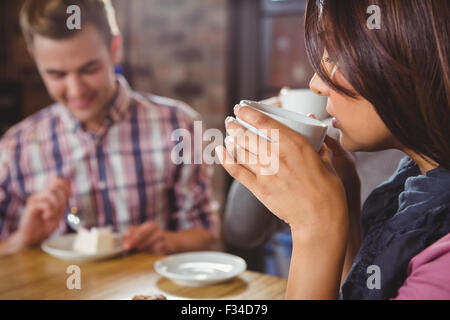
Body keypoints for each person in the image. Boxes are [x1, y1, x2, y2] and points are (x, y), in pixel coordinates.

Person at [216, 0, 450, 299]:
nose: (316, 83)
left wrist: (316, 226)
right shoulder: (411, 184)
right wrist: (344, 197)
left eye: (338, 53)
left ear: (420, 49)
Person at [0, 0, 219, 256]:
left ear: (115, 48)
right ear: (36, 59)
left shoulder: (180, 126)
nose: (76, 90)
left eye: (89, 69)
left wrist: (167, 241)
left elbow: (205, 233)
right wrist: (22, 239)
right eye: (57, 75)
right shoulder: (15, 147)